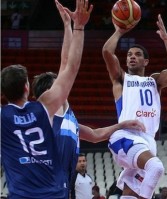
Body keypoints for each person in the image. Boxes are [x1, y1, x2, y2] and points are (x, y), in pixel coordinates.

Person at [31, 3, 145, 198]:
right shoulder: (49, 112)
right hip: (45, 188)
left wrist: (122, 124)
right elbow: (66, 63)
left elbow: (94, 134)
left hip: (60, 189)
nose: (63, 83)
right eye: (57, 83)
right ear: (49, 92)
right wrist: (74, 27)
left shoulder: (67, 116)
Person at [1, 0, 92, 198]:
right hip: (52, 193)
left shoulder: (2, 117)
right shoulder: (43, 109)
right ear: (27, 87)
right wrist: (78, 27)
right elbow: (70, 66)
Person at [102, 13, 167, 199]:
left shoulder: (155, 80)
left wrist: (166, 39)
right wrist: (119, 31)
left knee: (132, 192)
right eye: (129, 54)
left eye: (137, 55)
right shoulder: (121, 79)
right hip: (127, 136)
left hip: (148, 141)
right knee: (155, 168)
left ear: (146, 61)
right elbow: (107, 52)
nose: (132, 57)